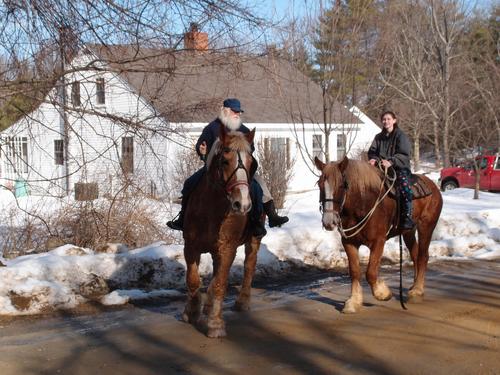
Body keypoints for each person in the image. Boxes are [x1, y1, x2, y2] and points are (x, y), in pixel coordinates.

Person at [167, 98, 289, 235]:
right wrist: (201, 150)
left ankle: (264, 219)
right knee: (189, 183)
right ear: (225, 111)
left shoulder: (244, 130)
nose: (238, 114)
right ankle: (183, 219)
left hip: (241, 170)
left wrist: (245, 152)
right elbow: (201, 146)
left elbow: (251, 149)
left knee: (260, 186)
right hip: (215, 170)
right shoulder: (212, 128)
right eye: (234, 111)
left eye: (239, 111)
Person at [368, 110, 415, 230]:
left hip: (399, 168)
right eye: (384, 119)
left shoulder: (400, 136)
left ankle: (407, 216)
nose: (386, 121)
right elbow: (372, 151)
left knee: (404, 187)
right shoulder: (378, 137)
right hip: (381, 168)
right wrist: (373, 159)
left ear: (394, 120)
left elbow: (405, 154)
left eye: (388, 119)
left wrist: (391, 161)